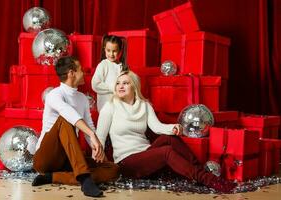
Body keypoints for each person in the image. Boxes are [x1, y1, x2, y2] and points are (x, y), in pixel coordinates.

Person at [95, 70, 237, 193]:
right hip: (126, 161)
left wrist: (173, 128)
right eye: (118, 83)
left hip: (145, 152)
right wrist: (98, 159)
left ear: (134, 86)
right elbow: (99, 137)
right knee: (166, 151)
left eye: (125, 83)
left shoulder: (144, 106)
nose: (120, 86)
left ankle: (199, 170)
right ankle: (208, 180)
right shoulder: (110, 106)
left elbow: (157, 127)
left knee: (170, 139)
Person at [32, 56, 119, 197]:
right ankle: (85, 179)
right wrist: (91, 135)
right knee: (65, 120)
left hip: (68, 159)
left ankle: (54, 177)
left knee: (113, 169)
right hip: (46, 159)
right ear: (71, 73)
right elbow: (70, 114)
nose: (84, 72)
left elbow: (89, 126)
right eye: (81, 70)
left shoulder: (82, 98)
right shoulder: (54, 95)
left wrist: (96, 147)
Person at [91, 34, 129, 112]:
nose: (111, 54)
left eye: (114, 51)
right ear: (104, 49)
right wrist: (113, 87)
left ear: (120, 51)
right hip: (106, 108)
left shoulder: (123, 67)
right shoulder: (103, 65)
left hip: (120, 108)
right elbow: (95, 84)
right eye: (108, 50)